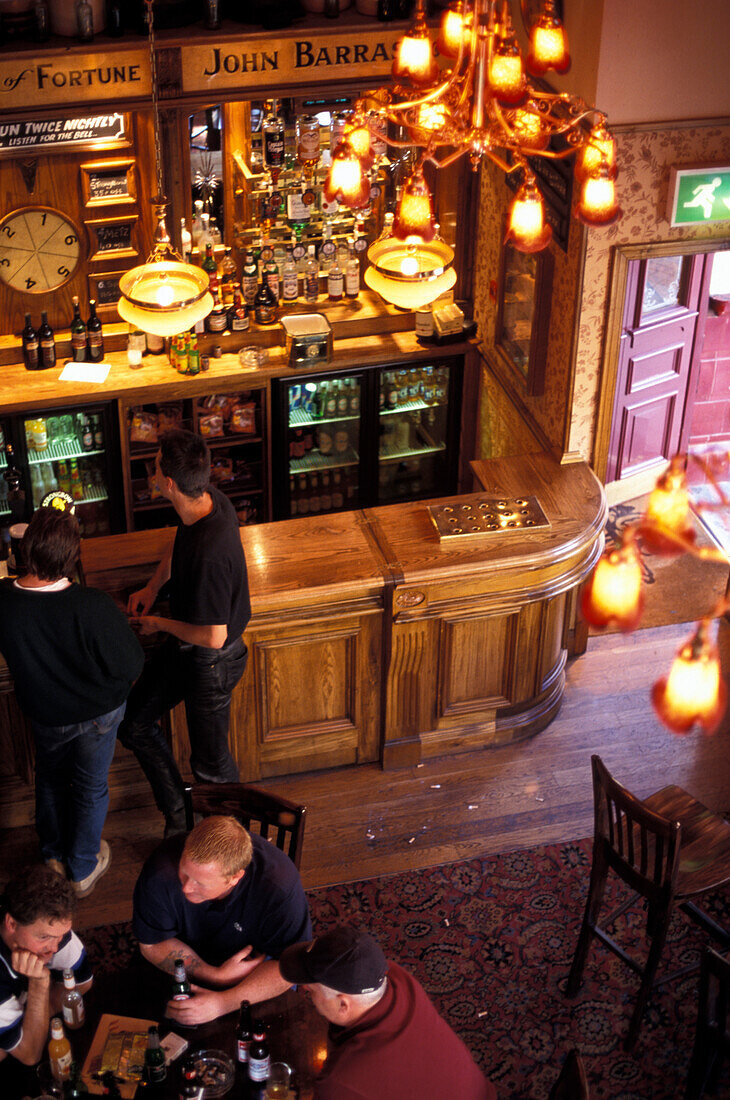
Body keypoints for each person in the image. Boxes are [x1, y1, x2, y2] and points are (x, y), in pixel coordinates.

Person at [0, 506, 143, 897]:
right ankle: (81, 867)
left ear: (26, 549)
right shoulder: (91, 605)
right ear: (71, 557)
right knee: (90, 786)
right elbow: (131, 663)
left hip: (46, 714)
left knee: (49, 778)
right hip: (98, 713)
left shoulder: (4, 601)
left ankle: (52, 856)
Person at [119, 428, 251, 834]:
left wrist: (157, 623)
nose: (153, 472)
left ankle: (232, 845)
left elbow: (213, 635)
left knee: (211, 767)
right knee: (135, 724)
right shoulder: (206, 504)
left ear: (169, 483)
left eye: (156, 466)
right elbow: (179, 545)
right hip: (188, 650)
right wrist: (152, 588)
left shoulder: (213, 554)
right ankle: (179, 812)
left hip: (212, 662)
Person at [279, 925, 496, 1100]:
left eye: (312, 988)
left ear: (344, 1005)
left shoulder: (341, 1083)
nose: (305, 988)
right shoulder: (399, 978)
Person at [133, 814, 311, 1025]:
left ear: (234, 878)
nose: (186, 888)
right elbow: (152, 944)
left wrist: (222, 1003)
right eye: (184, 872)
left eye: (200, 883)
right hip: (184, 957)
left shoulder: (278, 885)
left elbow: (292, 965)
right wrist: (215, 975)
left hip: (255, 970)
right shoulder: (160, 871)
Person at [0, 865, 92, 1067]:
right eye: (44, 937)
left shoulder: (53, 930)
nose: (54, 948)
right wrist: (40, 983)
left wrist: (39, 1013)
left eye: (59, 936)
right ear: (11, 924)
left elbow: (82, 982)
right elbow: (30, 1054)